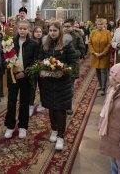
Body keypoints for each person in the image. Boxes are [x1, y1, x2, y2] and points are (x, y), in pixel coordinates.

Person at [38, 21, 77, 151]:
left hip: (62, 83)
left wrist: (64, 70)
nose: (53, 33)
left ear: (60, 31)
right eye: (50, 30)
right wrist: (42, 69)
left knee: (60, 110)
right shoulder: (45, 44)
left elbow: (73, 62)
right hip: (48, 83)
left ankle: (60, 136)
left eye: (55, 30)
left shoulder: (67, 44)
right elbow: (40, 59)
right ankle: (54, 130)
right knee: (51, 108)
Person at [4, 20, 38, 139]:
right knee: (11, 101)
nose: (22, 30)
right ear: (17, 29)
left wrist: (25, 73)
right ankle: (10, 126)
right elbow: (6, 57)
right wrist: (11, 68)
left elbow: (35, 61)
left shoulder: (33, 44)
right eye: (20, 28)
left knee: (24, 101)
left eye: (25, 28)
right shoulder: (10, 42)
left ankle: (23, 126)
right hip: (13, 76)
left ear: (29, 29)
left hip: (26, 77)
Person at [88, 18, 112, 95]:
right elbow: (90, 43)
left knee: (103, 71)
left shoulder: (107, 32)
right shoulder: (93, 32)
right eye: (98, 24)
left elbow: (109, 43)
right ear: (96, 25)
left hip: (104, 56)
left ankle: (103, 88)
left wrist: (103, 53)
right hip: (95, 55)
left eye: (101, 24)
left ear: (104, 25)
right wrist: (94, 52)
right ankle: (101, 85)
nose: (99, 26)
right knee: (97, 71)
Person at [29, 26, 44, 116]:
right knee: (32, 88)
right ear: (33, 33)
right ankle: (30, 106)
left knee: (43, 87)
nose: (38, 33)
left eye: (40, 31)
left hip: (42, 68)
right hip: (33, 68)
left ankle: (42, 104)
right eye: (36, 31)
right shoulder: (30, 43)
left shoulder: (45, 42)